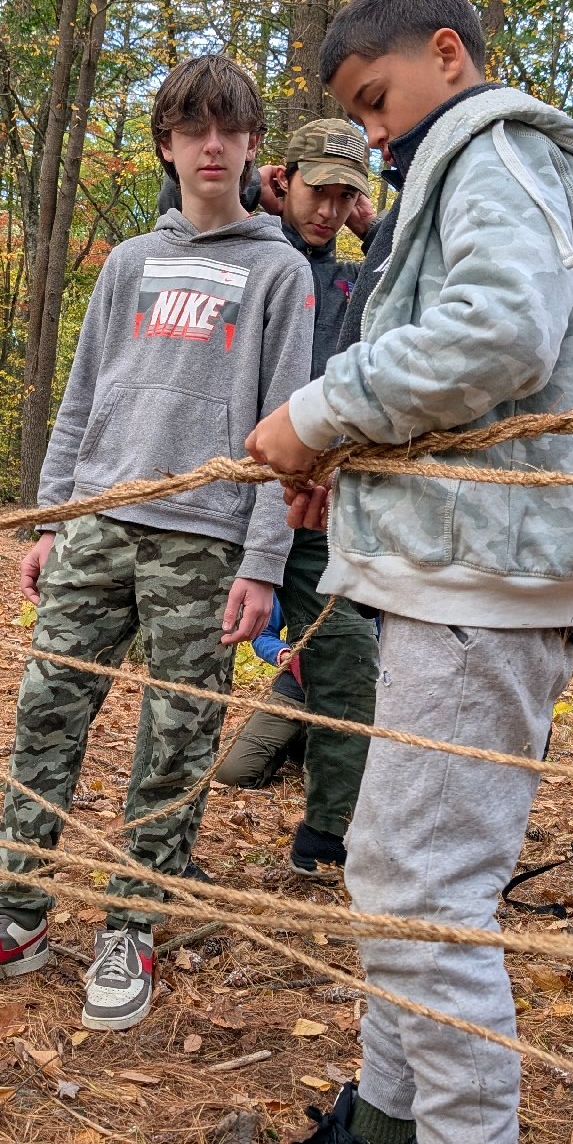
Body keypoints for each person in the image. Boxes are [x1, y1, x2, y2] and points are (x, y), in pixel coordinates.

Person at [222, 0, 573, 1144]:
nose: (373, 134)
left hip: (490, 581)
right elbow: (473, 371)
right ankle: (386, 1143)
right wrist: (352, 467)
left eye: (377, 100)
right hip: (460, 566)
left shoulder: (495, 149)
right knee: (393, 871)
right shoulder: (458, 169)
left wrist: (318, 413)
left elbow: (501, 335)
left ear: (447, 55)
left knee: (425, 893)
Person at [0, 55, 313, 1031]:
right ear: (167, 145)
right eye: (193, 129)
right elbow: (83, 397)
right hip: (96, 525)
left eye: (231, 129)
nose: (212, 146)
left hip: (204, 543)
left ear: (253, 146)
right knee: (46, 715)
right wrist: (53, 521)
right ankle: (15, 913)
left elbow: (287, 426)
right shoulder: (129, 263)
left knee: (175, 739)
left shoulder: (280, 271)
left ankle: (133, 925)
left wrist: (263, 564)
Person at [225, 118, 383, 877]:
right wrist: (250, 184)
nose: (329, 210)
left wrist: (372, 226)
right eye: (318, 191)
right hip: (228, 500)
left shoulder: (356, 280)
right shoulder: (248, 247)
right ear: (282, 181)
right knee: (193, 662)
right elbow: (186, 198)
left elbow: (416, 272)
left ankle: (327, 833)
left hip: (311, 506)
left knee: (347, 657)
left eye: (345, 197)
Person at [215, 598, 310, 791]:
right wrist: (286, 656)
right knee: (230, 771)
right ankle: (288, 742)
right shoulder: (295, 580)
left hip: (350, 700)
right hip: (293, 693)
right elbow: (263, 634)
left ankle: (305, 747)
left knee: (324, 790)